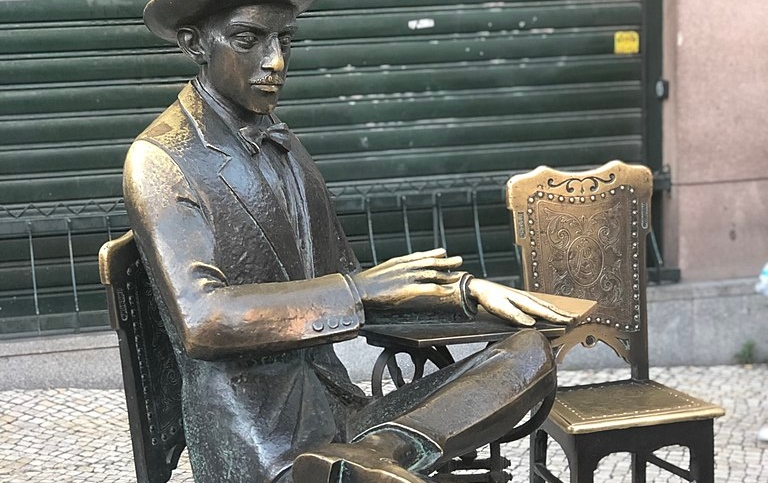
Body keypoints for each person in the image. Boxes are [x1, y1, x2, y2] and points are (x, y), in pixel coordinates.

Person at [126, 1, 580, 481]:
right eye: (249, 40)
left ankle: (379, 456)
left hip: (341, 417)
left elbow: (363, 291)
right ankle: (368, 465)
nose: (276, 61)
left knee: (528, 353)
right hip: (261, 439)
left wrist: (464, 295)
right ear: (194, 43)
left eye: (285, 41)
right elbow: (203, 321)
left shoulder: (282, 142)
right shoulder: (160, 159)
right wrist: (358, 291)